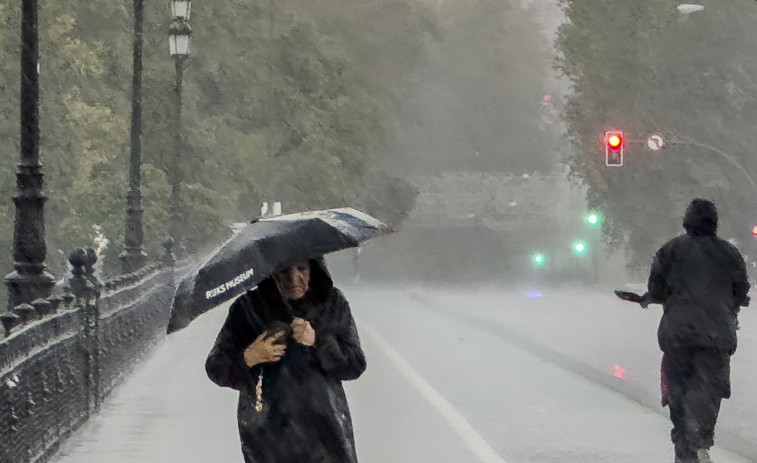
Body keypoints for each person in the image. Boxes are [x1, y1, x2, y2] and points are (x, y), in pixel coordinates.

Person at [205, 258, 367, 463]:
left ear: (314, 270)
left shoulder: (332, 304)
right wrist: (250, 357)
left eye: (302, 269)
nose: (294, 278)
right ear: (271, 272)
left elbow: (355, 364)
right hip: (267, 437)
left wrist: (318, 341)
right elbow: (216, 367)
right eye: (284, 271)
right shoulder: (248, 308)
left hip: (325, 434)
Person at [643, 199, 750, 463]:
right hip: (716, 338)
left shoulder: (671, 250)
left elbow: (656, 288)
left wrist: (652, 297)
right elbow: (741, 290)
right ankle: (701, 440)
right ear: (714, 223)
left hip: (678, 337)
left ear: (687, 221)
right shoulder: (730, 254)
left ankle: (686, 446)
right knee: (709, 391)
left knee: (679, 394)